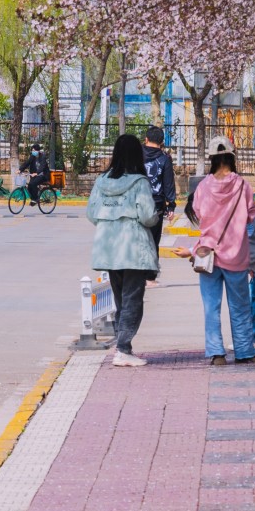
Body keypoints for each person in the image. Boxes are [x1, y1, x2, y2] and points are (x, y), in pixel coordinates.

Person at [88, 134, 160, 367]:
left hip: (108, 249)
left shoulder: (101, 181)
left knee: (120, 300)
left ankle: (122, 347)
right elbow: (148, 217)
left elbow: (91, 214)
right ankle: (123, 348)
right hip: (133, 250)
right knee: (133, 300)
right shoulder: (139, 182)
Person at [191, 142, 255, 364]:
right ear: (232, 157)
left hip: (209, 255)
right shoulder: (243, 186)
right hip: (237, 254)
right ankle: (243, 351)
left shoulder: (203, 187)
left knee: (211, 307)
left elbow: (198, 213)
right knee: (240, 307)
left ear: (212, 159)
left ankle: (216, 353)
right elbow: (251, 215)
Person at [142, 127, 177, 284]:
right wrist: (171, 206)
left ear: (146, 139)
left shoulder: (136, 155)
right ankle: (150, 276)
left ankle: (136, 273)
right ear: (162, 142)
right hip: (156, 204)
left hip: (137, 203)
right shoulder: (165, 159)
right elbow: (168, 183)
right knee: (153, 240)